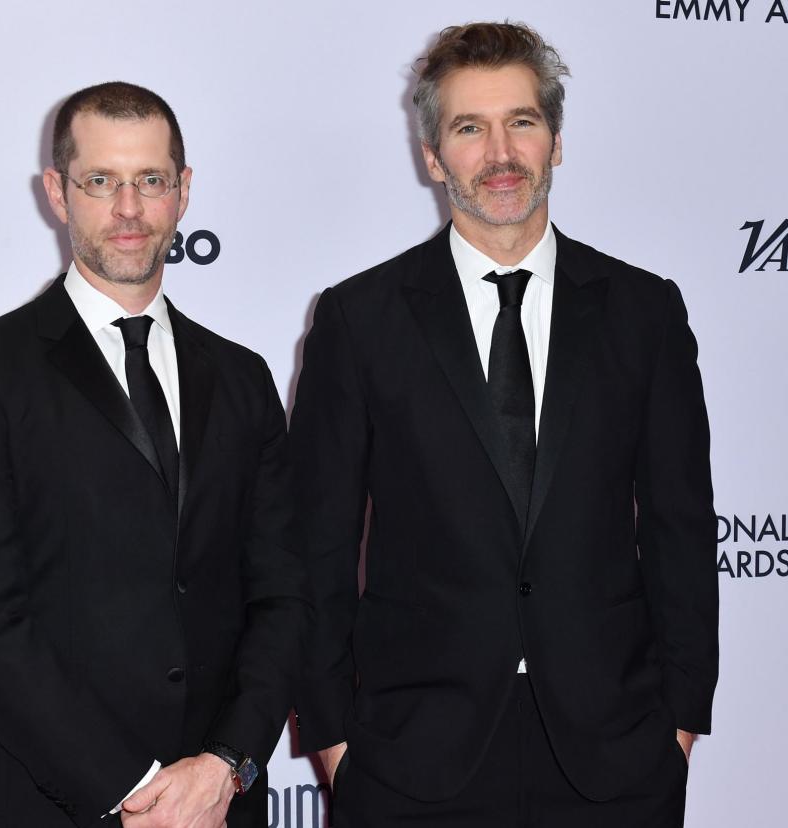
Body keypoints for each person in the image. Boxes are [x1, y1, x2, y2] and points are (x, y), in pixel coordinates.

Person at [290, 22, 718, 827]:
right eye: (468, 128)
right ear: (431, 156)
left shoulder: (643, 312)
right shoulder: (361, 320)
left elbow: (682, 530)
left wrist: (680, 726)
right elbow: (317, 547)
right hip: (410, 762)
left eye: (521, 122)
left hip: (616, 759)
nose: (500, 153)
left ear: (555, 141)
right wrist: (338, 745)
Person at [0, 81, 308, 828]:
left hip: (218, 805)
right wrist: (133, 791)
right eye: (101, 181)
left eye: (150, 180)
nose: (128, 208)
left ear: (183, 193)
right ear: (57, 193)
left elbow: (282, 594)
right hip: (56, 803)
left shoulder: (241, 377)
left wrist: (226, 765)